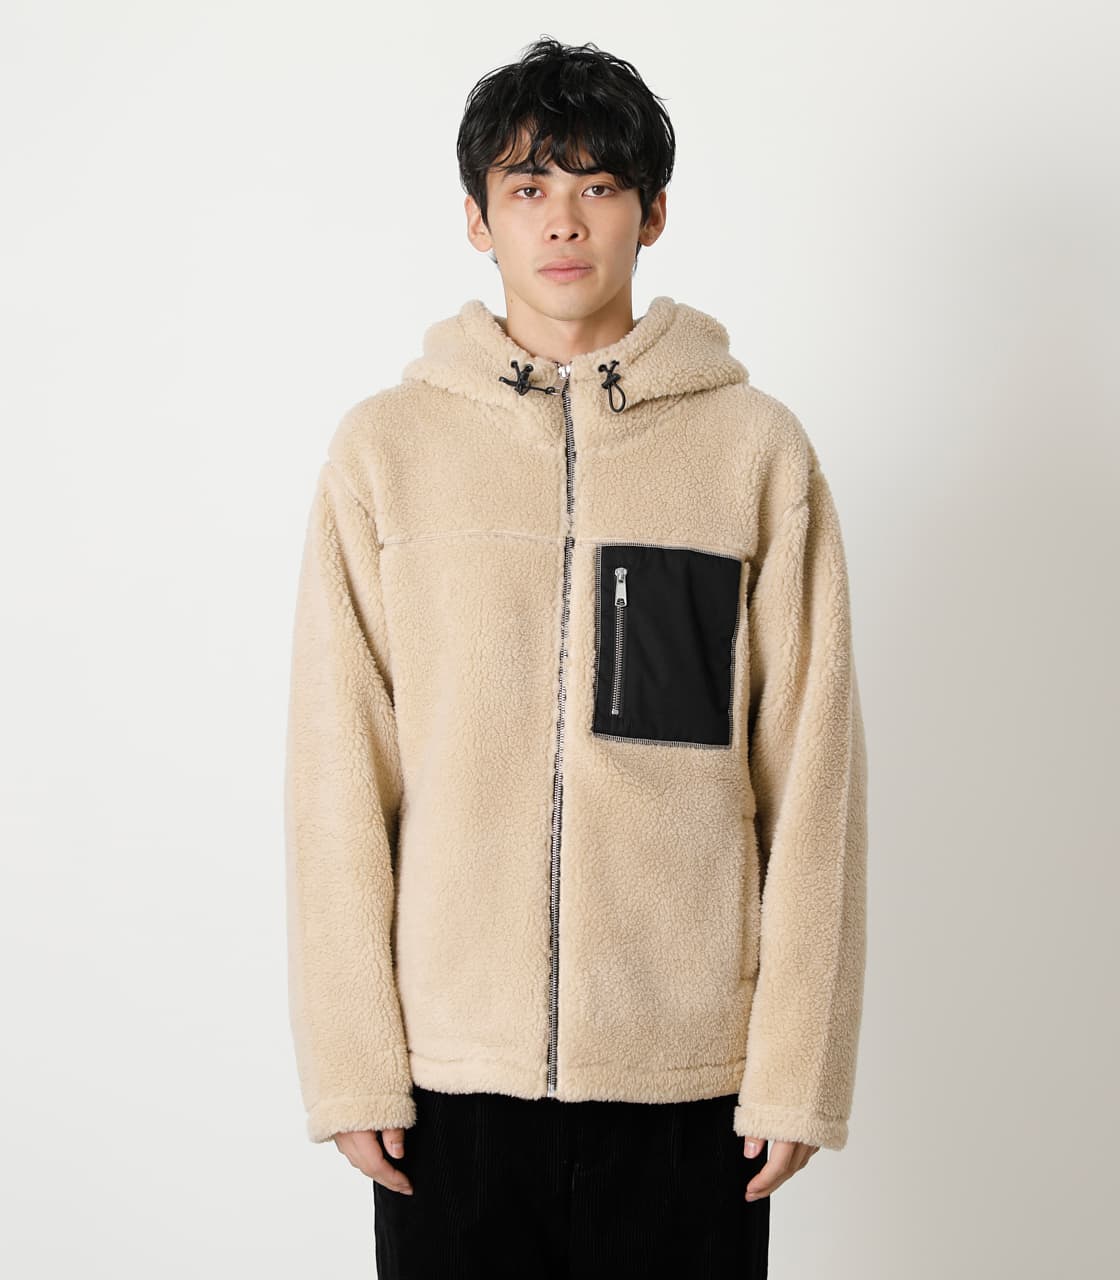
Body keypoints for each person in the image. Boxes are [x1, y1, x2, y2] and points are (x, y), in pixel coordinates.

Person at [283, 35, 868, 1280]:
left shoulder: (752, 452)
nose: (563, 219)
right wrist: (352, 1059)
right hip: (449, 1082)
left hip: (690, 1081)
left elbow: (811, 781)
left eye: (599, 185)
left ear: (652, 213)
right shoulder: (386, 452)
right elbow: (337, 775)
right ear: (476, 218)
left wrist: (796, 1066)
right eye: (528, 186)